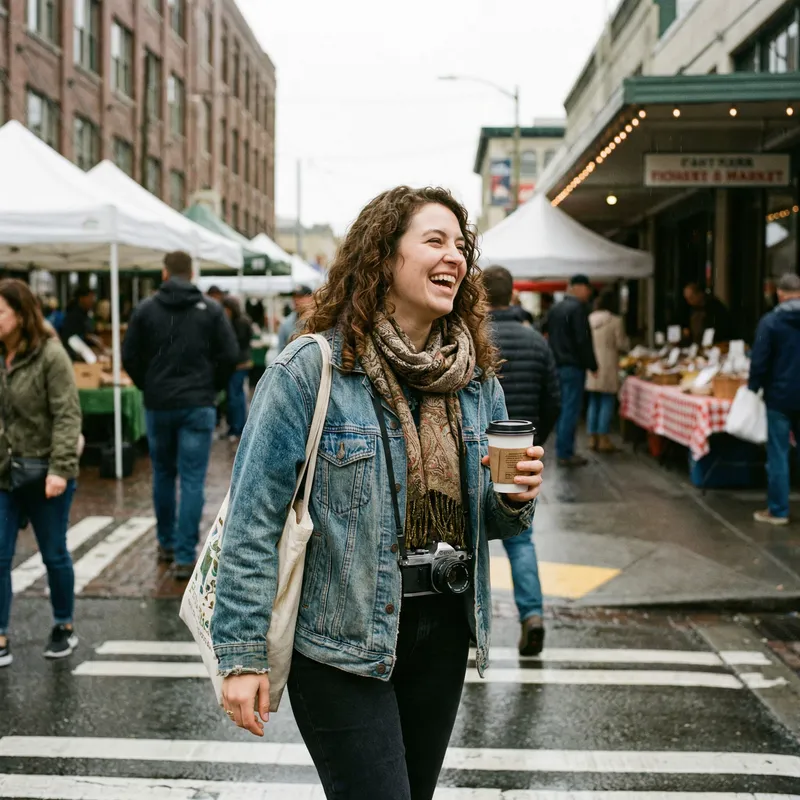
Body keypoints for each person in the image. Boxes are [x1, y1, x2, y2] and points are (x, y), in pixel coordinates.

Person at [211, 187, 544, 799]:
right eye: (435, 241)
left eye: (461, 246)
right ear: (384, 257)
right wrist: (241, 656)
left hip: (441, 632)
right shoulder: (310, 370)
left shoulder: (475, 381)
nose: (456, 258)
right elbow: (253, 521)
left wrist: (516, 498)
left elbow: (492, 522)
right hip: (342, 640)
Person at [122, 251, 239, 580]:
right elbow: (230, 355)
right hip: (197, 403)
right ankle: (185, 554)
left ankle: (167, 543)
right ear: (192, 273)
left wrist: (149, 384)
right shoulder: (211, 310)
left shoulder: (145, 309)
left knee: (163, 474)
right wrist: (210, 388)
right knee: (191, 479)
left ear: (164, 273)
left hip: (160, 403)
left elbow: (129, 355)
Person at [0, 279, 82, 668]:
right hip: (3, 473)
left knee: (53, 554)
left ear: (21, 314)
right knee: (0, 558)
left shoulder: (50, 354)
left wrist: (61, 469)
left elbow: (67, 414)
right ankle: (0, 633)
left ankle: (64, 625)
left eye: (1, 311)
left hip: (46, 472)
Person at [483, 266, 560, 656]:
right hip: (520, 452)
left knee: (468, 540)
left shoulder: (473, 339)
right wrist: (535, 445)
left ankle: (469, 628)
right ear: (513, 295)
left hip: (477, 451)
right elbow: (554, 399)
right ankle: (532, 616)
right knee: (521, 540)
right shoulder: (535, 340)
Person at [748, 273, 800, 526]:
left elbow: (759, 359)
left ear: (780, 293)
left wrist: (752, 387)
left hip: (779, 396)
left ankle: (779, 511)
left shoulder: (770, 322)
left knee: (778, 454)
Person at [547, 275, 598, 467]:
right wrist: (593, 365)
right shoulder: (577, 309)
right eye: (587, 288)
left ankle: (563, 449)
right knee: (570, 409)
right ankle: (565, 452)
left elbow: (546, 332)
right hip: (572, 366)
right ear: (578, 287)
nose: (588, 293)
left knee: (562, 408)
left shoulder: (556, 308)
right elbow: (582, 340)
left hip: (556, 365)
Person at [586, 289, 629, 454]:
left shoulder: (589, 319)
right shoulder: (615, 321)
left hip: (592, 364)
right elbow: (621, 344)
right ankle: (603, 437)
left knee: (593, 401)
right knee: (606, 400)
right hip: (609, 364)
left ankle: (592, 437)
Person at [221, 296, 254, 441]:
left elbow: (236, 344)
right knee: (237, 395)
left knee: (236, 396)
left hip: (238, 364)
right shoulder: (244, 321)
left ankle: (237, 428)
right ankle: (237, 426)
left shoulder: (237, 323)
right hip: (242, 362)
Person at [60, 287, 97, 361]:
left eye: (93, 298)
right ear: (81, 298)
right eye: (90, 298)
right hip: (74, 356)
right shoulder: (74, 314)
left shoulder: (86, 314)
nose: (92, 301)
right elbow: (70, 338)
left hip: (82, 354)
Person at [277, 284, 314, 352]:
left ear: (311, 297)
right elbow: (280, 351)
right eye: (294, 297)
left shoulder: (319, 320)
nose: (296, 300)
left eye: (300, 297)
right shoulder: (286, 324)